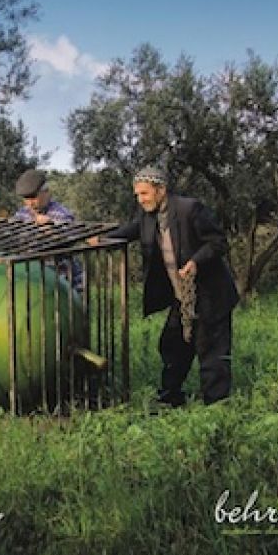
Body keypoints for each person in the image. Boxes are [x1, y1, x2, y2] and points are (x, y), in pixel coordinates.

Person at [102, 166, 238, 406]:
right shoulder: (148, 217)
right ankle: (170, 398)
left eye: (144, 194)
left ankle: (217, 407)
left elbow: (218, 243)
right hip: (182, 297)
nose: (140, 199)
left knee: (211, 352)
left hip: (210, 295)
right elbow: (129, 232)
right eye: (137, 195)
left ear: (161, 190)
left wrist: (196, 262)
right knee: (172, 345)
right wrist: (102, 240)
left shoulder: (189, 209)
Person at [13, 168, 83, 288]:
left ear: (46, 192)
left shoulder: (62, 214)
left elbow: (70, 238)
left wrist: (51, 228)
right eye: (26, 198)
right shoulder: (21, 214)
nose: (30, 203)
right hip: (36, 279)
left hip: (64, 281)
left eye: (33, 197)